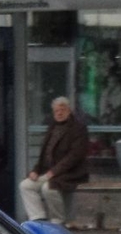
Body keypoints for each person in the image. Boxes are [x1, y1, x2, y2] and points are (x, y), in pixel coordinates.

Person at [18, 96, 88, 225]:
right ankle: (38, 218)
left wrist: (54, 172)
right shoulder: (52, 127)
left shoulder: (78, 128)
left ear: (69, 111)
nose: (59, 113)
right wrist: (35, 170)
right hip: (48, 172)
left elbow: (74, 156)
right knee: (25, 185)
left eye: (62, 110)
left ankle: (58, 219)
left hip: (70, 172)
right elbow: (45, 154)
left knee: (48, 187)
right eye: (56, 111)